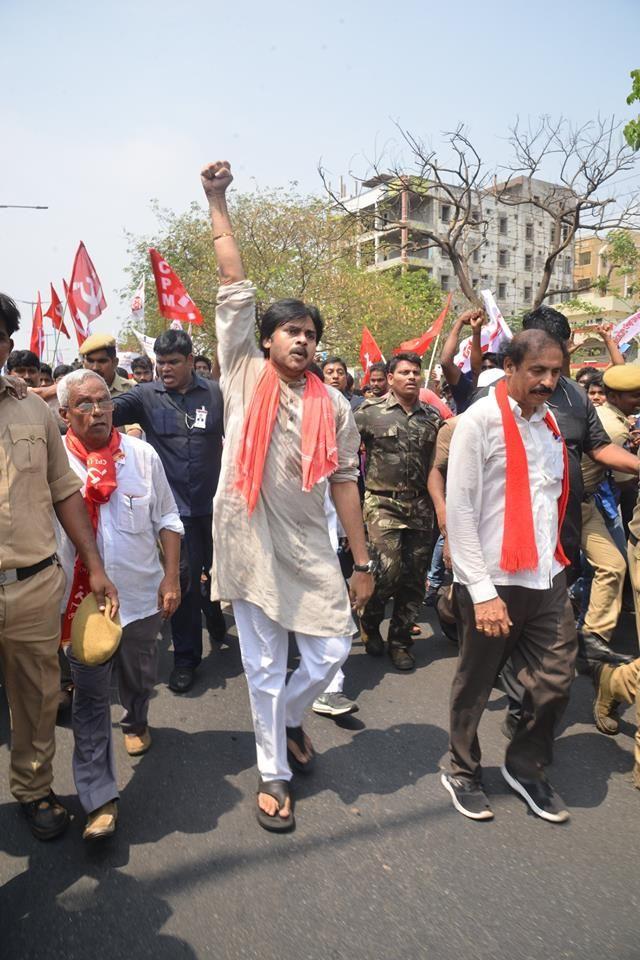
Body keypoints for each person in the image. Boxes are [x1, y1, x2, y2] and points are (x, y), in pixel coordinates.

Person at [202, 159, 373, 832]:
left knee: (330, 653)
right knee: (264, 667)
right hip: (247, 540)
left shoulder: (335, 404)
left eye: (310, 333)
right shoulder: (242, 371)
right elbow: (232, 281)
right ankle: (274, 770)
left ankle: (294, 720)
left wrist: (361, 563)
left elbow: (345, 483)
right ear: (265, 339)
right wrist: (217, 199)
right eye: (291, 330)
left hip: (309, 544)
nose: (302, 339)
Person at [442, 329, 576, 824]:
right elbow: (460, 513)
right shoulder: (478, 422)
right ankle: (462, 769)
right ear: (512, 367)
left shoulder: (551, 427)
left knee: (556, 681)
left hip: (546, 575)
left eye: (555, 372)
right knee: (476, 683)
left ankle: (525, 766)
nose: (546, 381)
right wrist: (481, 594)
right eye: (537, 371)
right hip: (492, 579)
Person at [0, 293, 118, 840]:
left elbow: (64, 490)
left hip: (30, 586)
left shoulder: (32, 410)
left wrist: (93, 562)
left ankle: (33, 788)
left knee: (39, 699)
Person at [56, 370, 183, 840]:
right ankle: (99, 798)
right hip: (80, 604)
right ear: (65, 413)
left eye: (103, 401)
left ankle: (136, 717)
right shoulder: (56, 464)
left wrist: (171, 576)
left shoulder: (141, 456)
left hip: (140, 596)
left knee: (139, 677)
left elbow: (168, 516)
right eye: (84, 404)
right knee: (89, 702)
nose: (96, 411)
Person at [110, 328, 225, 694]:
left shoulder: (216, 395)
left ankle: (215, 609)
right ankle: (187, 658)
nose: (165, 369)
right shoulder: (145, 396)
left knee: (220, 576)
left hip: (219, 508)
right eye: (161, 363)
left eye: (173, 362)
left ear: (192, 361)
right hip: (176, 514)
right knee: (185, 583)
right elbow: (102, 413)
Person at [355, 352, 440, 671]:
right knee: (387, 572)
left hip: (420, 506)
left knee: (415, 579)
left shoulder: (431, 417)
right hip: (382, 503)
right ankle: (371, 620)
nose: (411, 377)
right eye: (404, 372)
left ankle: (401, 641)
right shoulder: (368, 413)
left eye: (415, 372)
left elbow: (438, 463)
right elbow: (345, 455)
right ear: (390, 378)